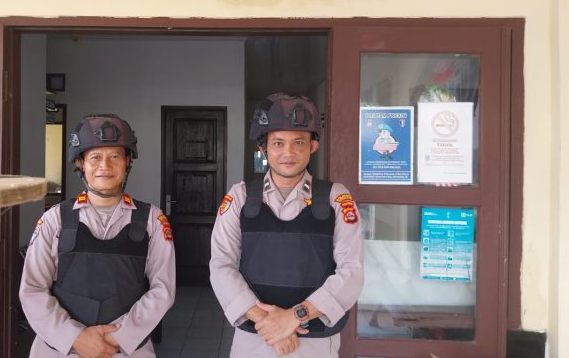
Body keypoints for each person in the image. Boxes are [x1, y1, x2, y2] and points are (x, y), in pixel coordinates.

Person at [210, 93, 364, 358]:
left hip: (315, 342)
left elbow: (352, 271)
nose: (288, 153)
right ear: (263, 148)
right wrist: (270, 324)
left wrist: (294, 317)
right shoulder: (240, 197)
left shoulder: (335, 198)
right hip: (254, 338)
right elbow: (221, 265)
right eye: (278, 143)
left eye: (299, 142)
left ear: (313, 146)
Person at [20, 114, 176, 358]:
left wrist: (117, 337)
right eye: (95, 157)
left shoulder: (152, 221)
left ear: (127, 163)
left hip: (126, 350)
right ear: (81, 163)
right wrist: (75, 338)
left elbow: (163, 290)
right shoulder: (55, 219)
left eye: (115, 156)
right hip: (60, 350)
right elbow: (32, 289)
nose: (105, 165)